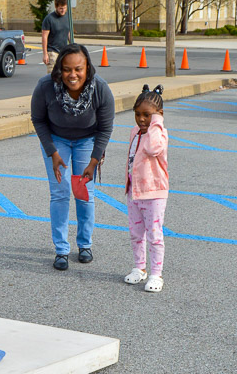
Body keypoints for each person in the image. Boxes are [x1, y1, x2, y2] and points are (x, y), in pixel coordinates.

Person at [31, 43, 114, 271]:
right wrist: (53, 152)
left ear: (87, 67)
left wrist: (94, 160)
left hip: (87, 141)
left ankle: (85, 244)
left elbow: (105, 128)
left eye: (78, 69)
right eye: (67, 69)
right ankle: (61, 249)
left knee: (84, 193)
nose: (73, 75)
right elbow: (38, 120)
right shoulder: (46, 87)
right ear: (59, 69)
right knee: (59, 193)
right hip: (56, 139)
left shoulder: (100, 89)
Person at [124, 84, 168, 293]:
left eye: (147, 115)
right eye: (138, 114)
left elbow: (152, 149)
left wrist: (156, 122)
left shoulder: (159, 135)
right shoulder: (135, 131)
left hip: (154, 194)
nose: (142, 119)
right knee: (135, 233)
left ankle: (155, 274)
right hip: (134, 192)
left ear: (158, 116)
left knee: (154, 236)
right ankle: (139, 268)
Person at [42, 0, 70, 75]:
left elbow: (69, 32)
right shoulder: (49, 19)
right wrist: (45, 54)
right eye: (61, 8)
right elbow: (44, 36)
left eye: (64, 8)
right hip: (52, 52)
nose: (63, 10)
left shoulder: (68, 16)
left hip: (64, 52)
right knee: (52, 76)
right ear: (56, 7)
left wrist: (72, 45)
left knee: (63, 75)